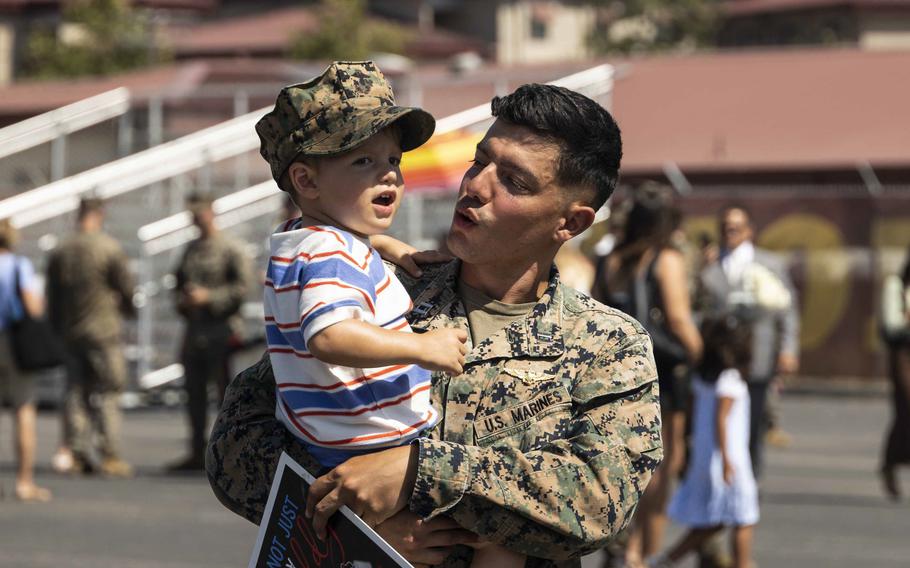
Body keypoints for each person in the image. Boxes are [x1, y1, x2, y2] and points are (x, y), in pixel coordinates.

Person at [206, 80, 663, 568]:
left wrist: (418, 472)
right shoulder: (379, 290)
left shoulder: (607, 344)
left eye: (514, 181)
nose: (476, 186)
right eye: (479, 160)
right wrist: (357, 526)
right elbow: (237, 444)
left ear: (570, 223)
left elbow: (600, 502)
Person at [591, 183, 703, 567]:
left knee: (621, 458)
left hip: (614, 372)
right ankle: (641, 552)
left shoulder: (610, 260)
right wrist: (702, 357)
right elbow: (678, 319)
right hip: (662, 372)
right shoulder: (664, 259)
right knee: (662, 464)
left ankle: (622, 542)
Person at [697, 204, 799, 479]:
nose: (731, 231)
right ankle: (719, 479)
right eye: (726, 226)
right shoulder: (712, 266)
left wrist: (788, 349)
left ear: (749, 230)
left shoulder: (769, 264)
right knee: (717, 422)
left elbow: (787, 310)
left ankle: (749, 480)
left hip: (757, 355)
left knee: (752, 423)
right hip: (720, 357)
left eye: (737, 226)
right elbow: (701, 307)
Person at [653, 316, 759, 568]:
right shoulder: (730, 379)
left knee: (713, 521)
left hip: (705, 456)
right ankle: (741, 563)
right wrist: (726, 460)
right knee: (743, 517)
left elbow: (693, 414)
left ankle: (667, 560)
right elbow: (721, 421)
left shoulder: (702, 379)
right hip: (729, 457)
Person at [46, 198, 136, 477]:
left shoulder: (62, 249)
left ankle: (75, 452)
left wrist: (57, 328)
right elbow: (126, 286)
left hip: (72, 331)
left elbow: (52, 294)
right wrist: (129, 309)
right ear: (99, 214)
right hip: (104, 331)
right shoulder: (108, 247)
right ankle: (109, 454)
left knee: (75, 391)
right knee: (109, 391)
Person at [168, 192, 251, 472]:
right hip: (195, 333)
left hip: (222, 332)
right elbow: (177, 284)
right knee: (194, 396)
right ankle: (196, 452)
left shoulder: (230, 248)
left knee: (226, 397)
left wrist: (209, 297)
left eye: (200, 215)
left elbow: (241, 289)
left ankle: (227, 457)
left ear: (211, 214)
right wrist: (185, 300)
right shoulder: (190, 250)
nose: (196, 221)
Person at [0, 219, 52, 501]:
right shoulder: (19, 266)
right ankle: (23, 481)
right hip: (14, 343)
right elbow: (32, 307)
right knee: (22, 409)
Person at [880, 246, 910, 499]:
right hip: (904, 355)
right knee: (906, 411)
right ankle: (890, 461)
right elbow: (892, 325)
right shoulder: (896, 286)